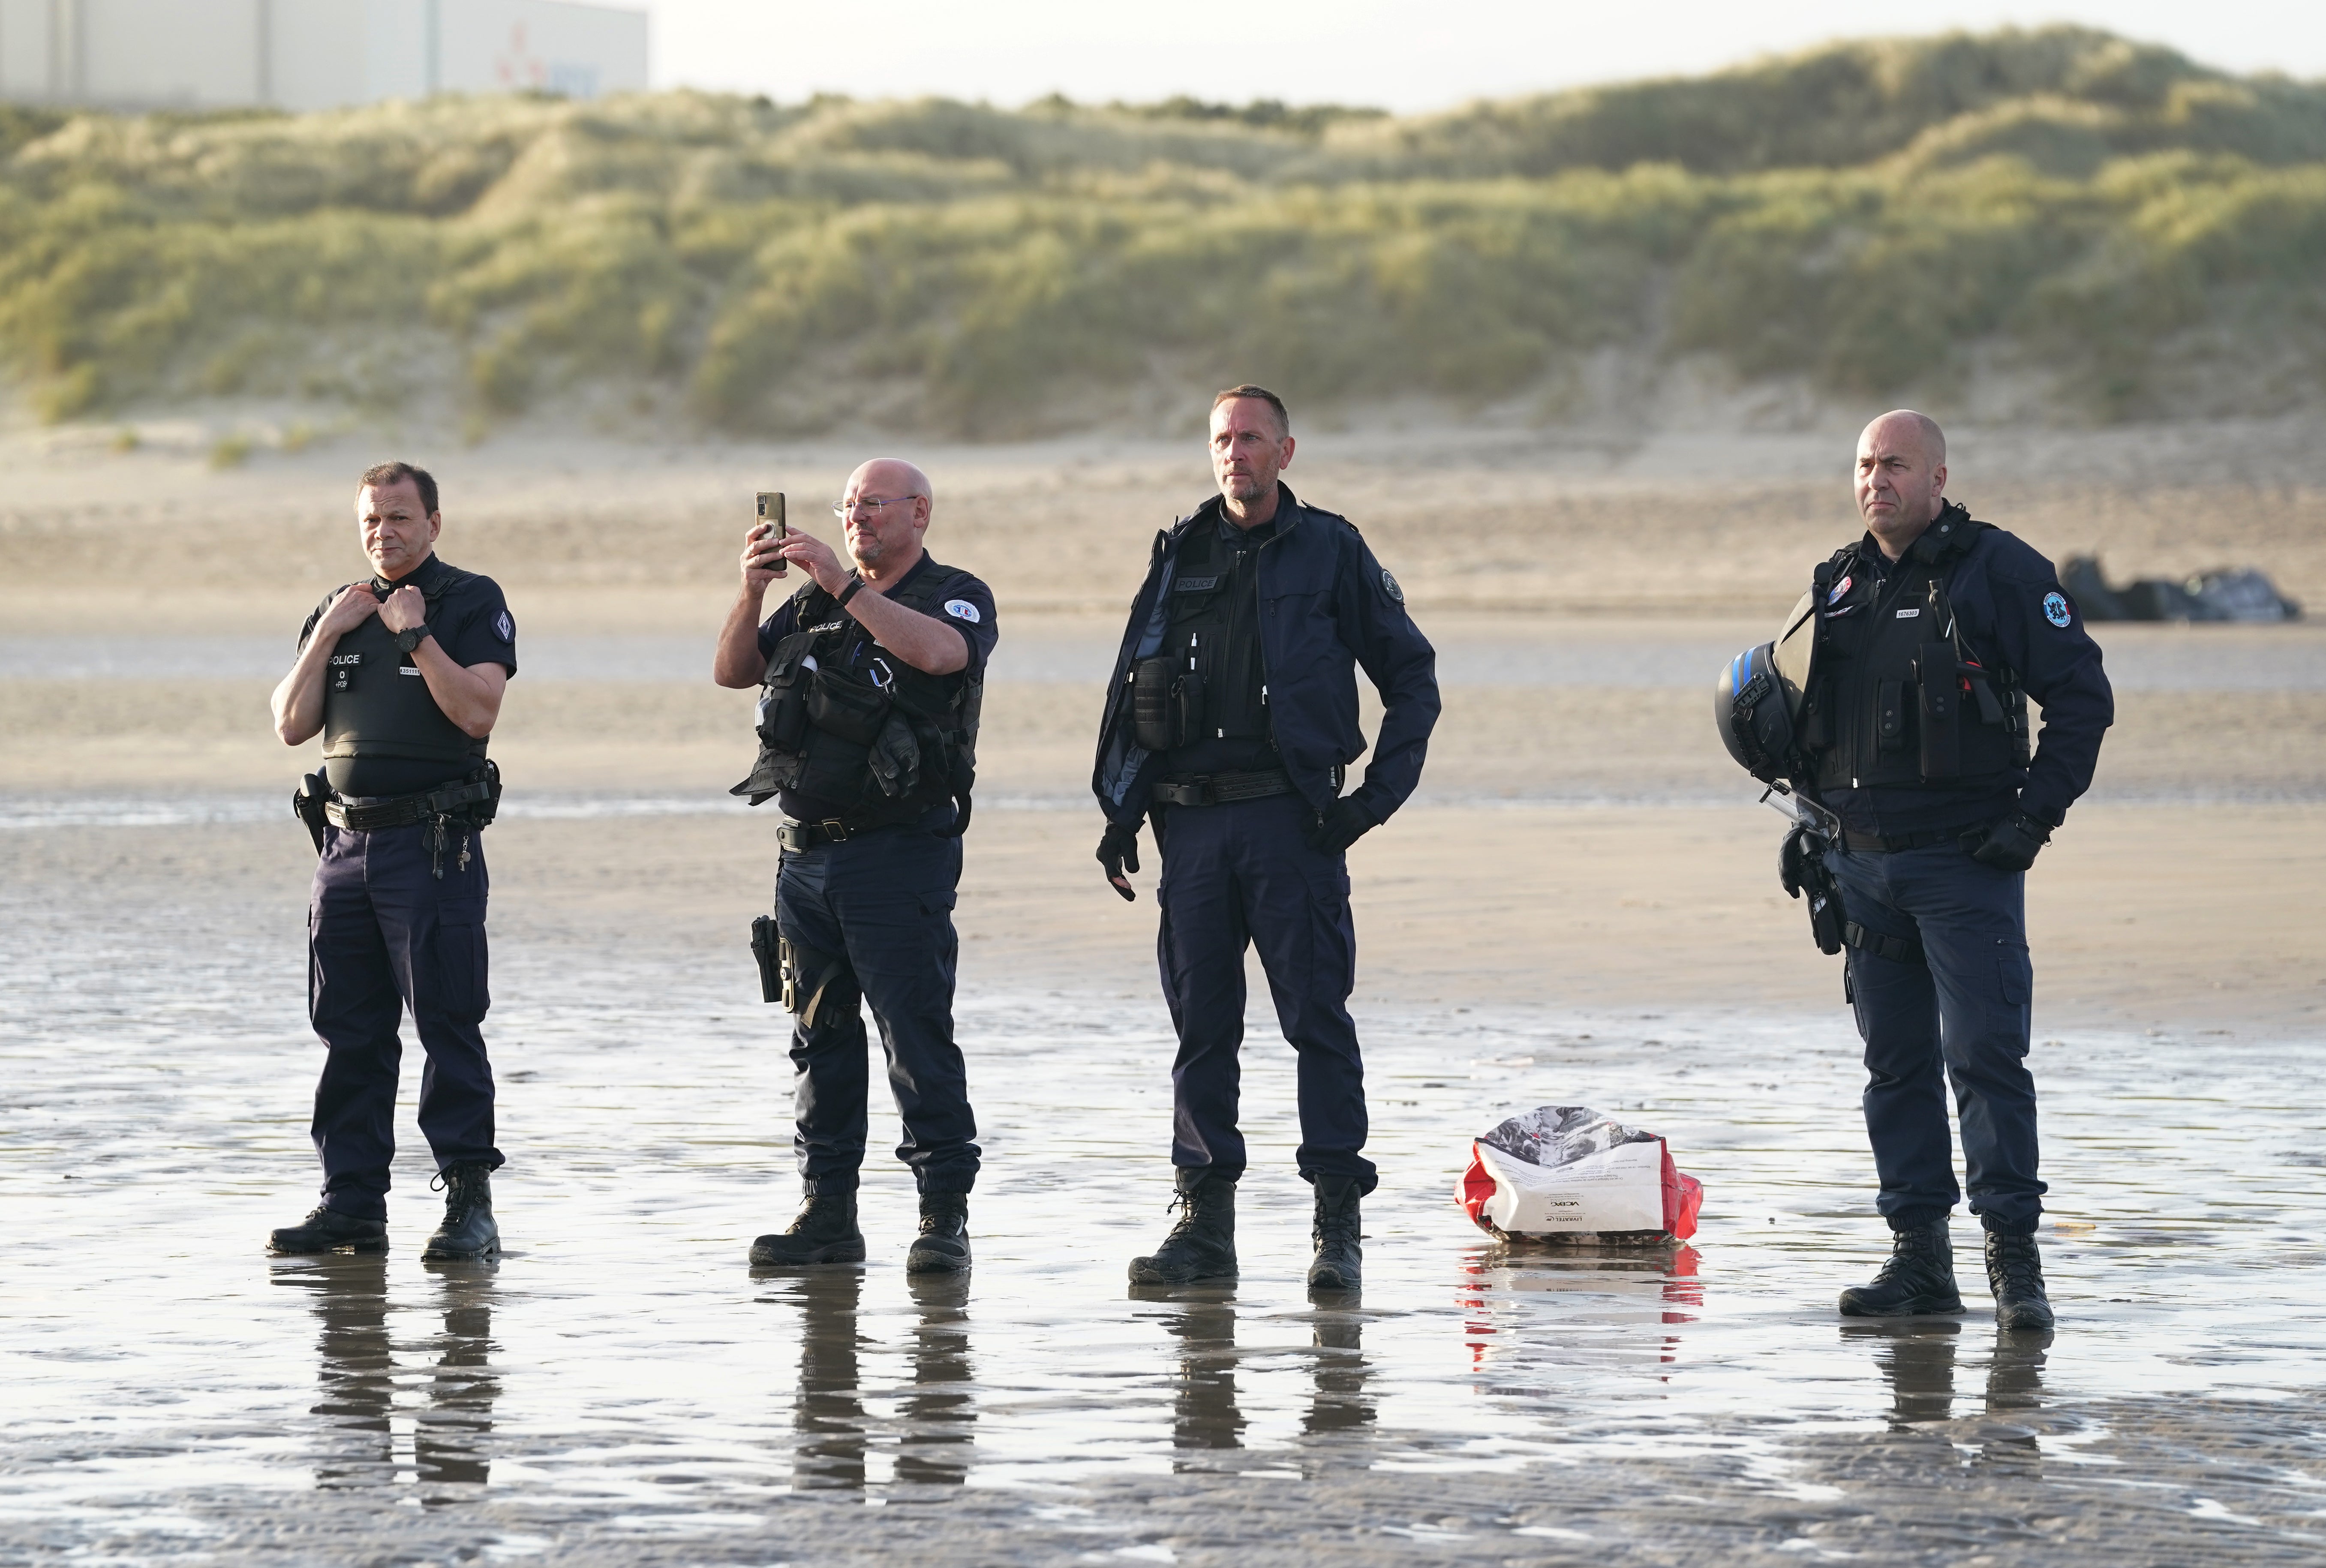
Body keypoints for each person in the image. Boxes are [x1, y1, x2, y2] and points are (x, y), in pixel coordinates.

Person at [1761, 410, 2111, 1330]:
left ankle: (2014, 1270)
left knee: (1985, 1061)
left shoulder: (2001, 570)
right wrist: (1808, 825)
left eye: (1897, 465)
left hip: (1966, 865)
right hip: (1862, 868)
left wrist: (2034, 819)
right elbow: (1805, 723)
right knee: (1895, 1069)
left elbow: (2083, 698)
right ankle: (1919, 1262)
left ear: (1939, 477)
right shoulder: (1833, 581)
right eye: (1866, 465)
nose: (1878, 480)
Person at [1091, 385, 1440, 1292]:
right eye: (1221, 439)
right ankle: (1203, 1228)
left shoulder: (1331, 548)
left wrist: (1373, 801)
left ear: (1286, 451)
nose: (1234, 453)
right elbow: (1130, 682)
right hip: (1192, 826)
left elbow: (1412, 675)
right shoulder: (1182, 552)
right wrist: (1120, 811)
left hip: (1295, 822)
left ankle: (1336, 1230)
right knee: (1200, 1030)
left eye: (1251, 438)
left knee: (1316, 1021)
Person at [714, 459, 993, 1274]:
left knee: (914, 1034)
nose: (856, 518)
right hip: (805, 860)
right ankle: (828, 1213)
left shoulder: (952, 592)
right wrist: (753, 590)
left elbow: (942, 655)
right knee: (818, 1036)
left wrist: (842, 584)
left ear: (920, 511)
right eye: (846, 507)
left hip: (897, 854)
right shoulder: (807, 601)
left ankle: (943, 1215)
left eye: (872, 504)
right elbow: (733, 670)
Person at [265, 462, 516, 1261]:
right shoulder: (335, 610)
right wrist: (330, 634)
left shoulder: (470, 601)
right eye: (372, 519)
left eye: (401, 518)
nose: (385, 532)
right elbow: (290, 724)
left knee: (448, 1022)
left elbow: (477, 711)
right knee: (349, 1029)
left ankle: (469, 1207)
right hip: (343, 848)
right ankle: (351, 1206)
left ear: (434, 523)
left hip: (431, 848)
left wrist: (415, 634)